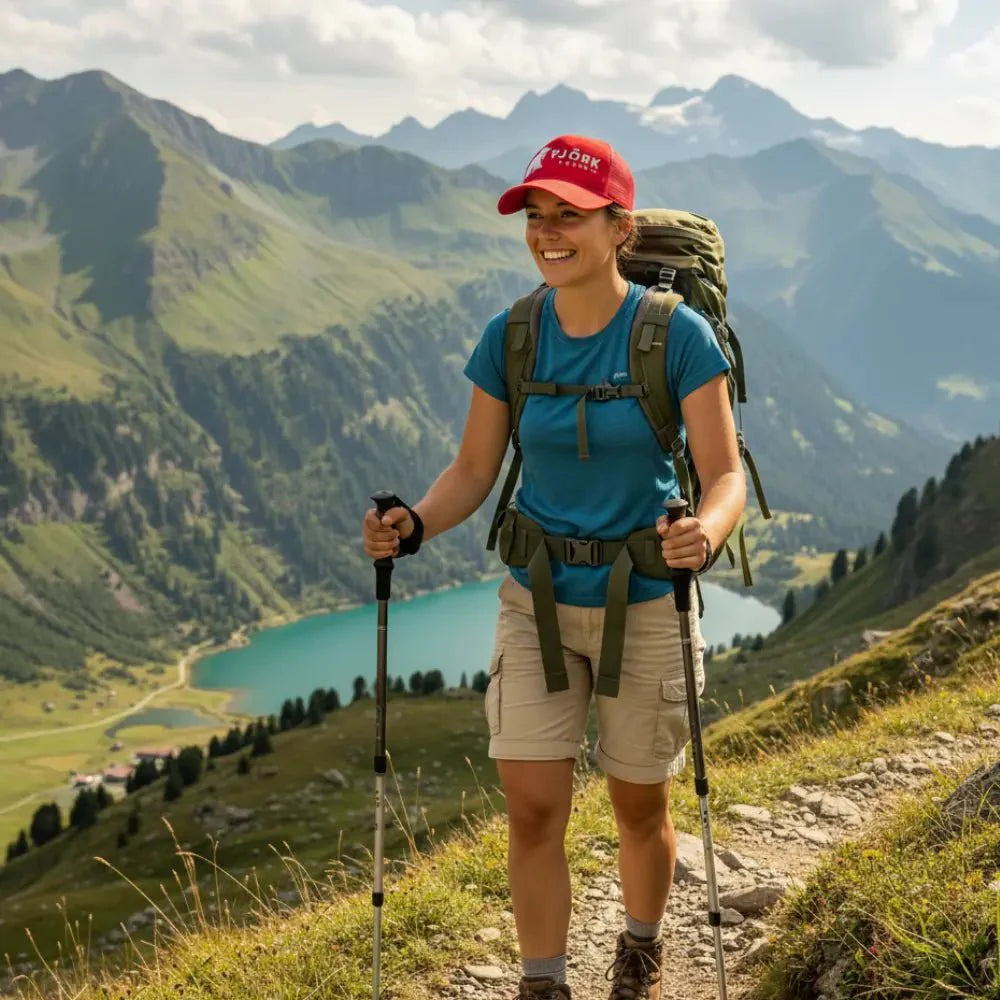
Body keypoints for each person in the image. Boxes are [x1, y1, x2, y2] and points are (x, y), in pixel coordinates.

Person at [361, 134, 746, 1000]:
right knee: (533, 810)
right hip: (534, 600)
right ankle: (544, 985)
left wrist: (706, 533)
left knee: (639, 806)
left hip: (646, 601)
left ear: (619, 228)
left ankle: (640, 950)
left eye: (568, 216)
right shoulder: (511, 336)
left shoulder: (677, 336)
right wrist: (413, 525)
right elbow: (473, 471)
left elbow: (722, 474)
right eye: (536, 216)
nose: (547, 233)